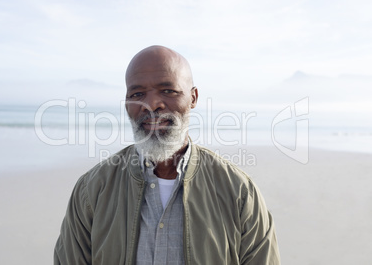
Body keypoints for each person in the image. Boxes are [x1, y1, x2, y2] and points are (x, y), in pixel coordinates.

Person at [54, 45, 280, 264]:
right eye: (138, 93)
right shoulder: (92, 190)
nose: (151, 104)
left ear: (193, 98)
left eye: (168, 91)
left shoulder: (239, 192)